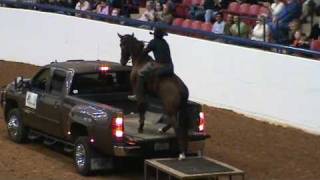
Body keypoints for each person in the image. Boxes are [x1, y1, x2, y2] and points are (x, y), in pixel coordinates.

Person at [134, 28, 174, 103]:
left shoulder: (153, 42)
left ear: (155, 35)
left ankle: (139, 95)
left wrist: (140, 49)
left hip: (160, 65)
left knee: (141, 73)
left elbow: (144, 53)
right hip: (170, 66)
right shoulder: (165, 42)